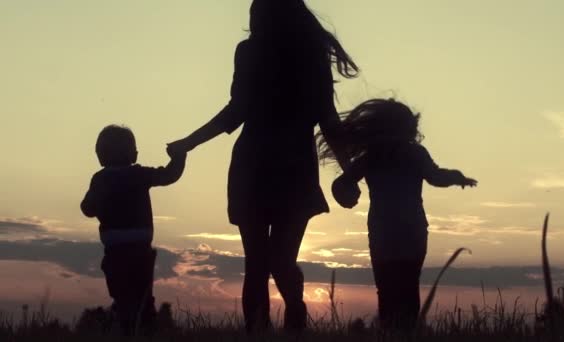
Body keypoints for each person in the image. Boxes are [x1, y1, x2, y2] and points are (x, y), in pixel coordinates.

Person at [167, 0, 358, 333]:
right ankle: (292, 318)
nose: (251, 20)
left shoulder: (253, 52)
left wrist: (190, 142)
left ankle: (283, 319)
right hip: (289, 168)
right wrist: (348, 172)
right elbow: (327, 119)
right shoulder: (308, 54)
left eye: (255, 13)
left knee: (259, 262)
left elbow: (236, 110)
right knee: (277, 260)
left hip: (256, 165)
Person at [317, 99, 477, 332]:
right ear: (408, 127)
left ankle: (391, 331)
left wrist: (347, 197)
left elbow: (341, 183)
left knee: (387, 288)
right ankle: (407, 332)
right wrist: (457, 177)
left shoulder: (372, 156)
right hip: (412, 229)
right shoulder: (414, 153)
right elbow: (436, 177)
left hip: (383, 230)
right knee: (408, 285)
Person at [81, 125, 186, 336]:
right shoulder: (138, 174)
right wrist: (180, 155)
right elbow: (169, 175)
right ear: (131, 154)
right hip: (140, 251)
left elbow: (87, 209)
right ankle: (142, 327)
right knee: (143, 296)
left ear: (100, 156)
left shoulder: (100, 179)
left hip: (115, 252)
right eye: (134, 148)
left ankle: (125, 326)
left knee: (121, 296)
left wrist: (99, 201)